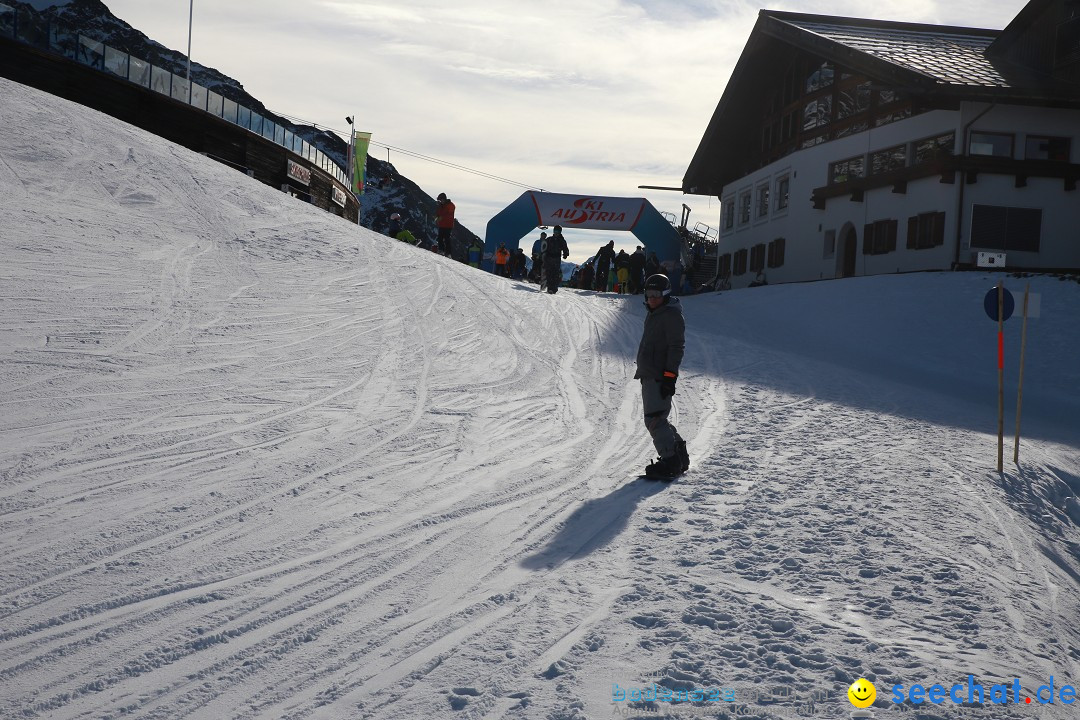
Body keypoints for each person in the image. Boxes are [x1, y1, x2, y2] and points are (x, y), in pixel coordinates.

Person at [635, 274, 690, 479]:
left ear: (666, 294)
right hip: (650, 374)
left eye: (656, 294)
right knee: (658, 418)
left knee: (654, 419)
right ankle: (679, 456)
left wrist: (669, 377)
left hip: (659, 376)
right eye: (648, 294)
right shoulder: (655, 313)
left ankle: (670, 461)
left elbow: (677, 348)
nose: (652, 298)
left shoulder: (671, 315)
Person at [543, 225, 570, 294]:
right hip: (549, 258)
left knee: (555, 273)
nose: (556, 233)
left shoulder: (562, 240)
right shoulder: (549, 239)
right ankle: (549, 288)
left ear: (560, 232)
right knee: (549, 273)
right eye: (555, 231)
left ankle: (554, 288)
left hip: (556, 259)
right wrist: (543, 254)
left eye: (558, 231)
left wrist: (565, 254)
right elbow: (544, 248)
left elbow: (565, 248)